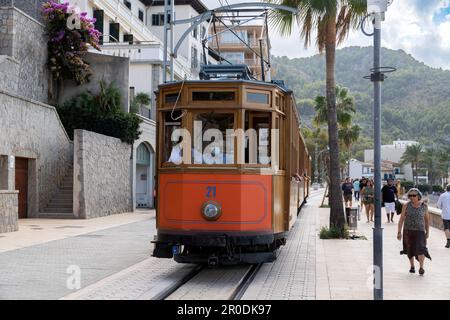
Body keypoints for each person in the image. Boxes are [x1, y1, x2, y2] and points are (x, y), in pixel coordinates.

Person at [397, 188, 431, 275]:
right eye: (410, 195)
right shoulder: (406, 205)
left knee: (421, 249)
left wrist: (427, 231)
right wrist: (399, 232)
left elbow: (427, 220)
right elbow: (401, 219)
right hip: (408, 230)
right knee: (409, 249)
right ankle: (412, 266)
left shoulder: (424, 206)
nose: (411, 197)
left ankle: (421, 267)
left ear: (418, 196)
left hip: (420, 231)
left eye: (413, 195)